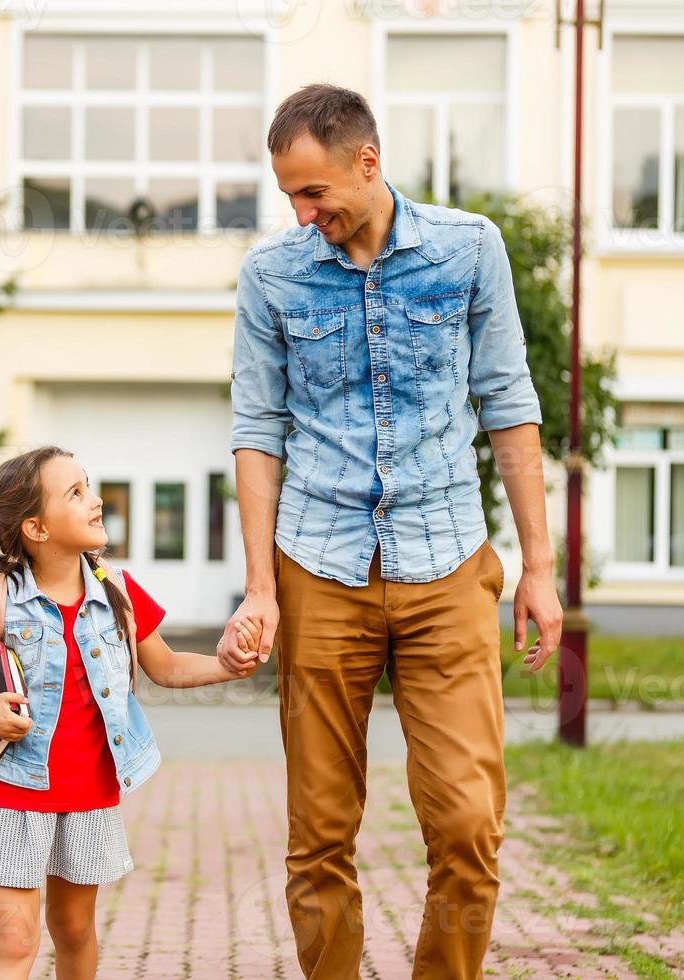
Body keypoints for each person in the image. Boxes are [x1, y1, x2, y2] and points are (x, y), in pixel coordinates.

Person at [220, 84, 565, 979]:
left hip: (447, 559)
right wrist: (261, 586)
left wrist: (539, 565)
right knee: (320, 832)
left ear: (367, 163)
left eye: (314, 192)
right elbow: (258, 430)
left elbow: (509, 404)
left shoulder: (469, 249)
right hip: (318, 563)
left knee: (467, 822)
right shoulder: (272, 277)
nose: (304, 214)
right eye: (291, 196)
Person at [0, 445, 257, 980]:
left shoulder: (120, 595)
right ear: (36, 528)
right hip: (14, 789)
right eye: (76, 493)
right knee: (15, 939)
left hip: (90, 794)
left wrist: (227, 665)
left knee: (75, 930)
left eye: (90, 486)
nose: (96, 500)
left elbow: (167, 667)